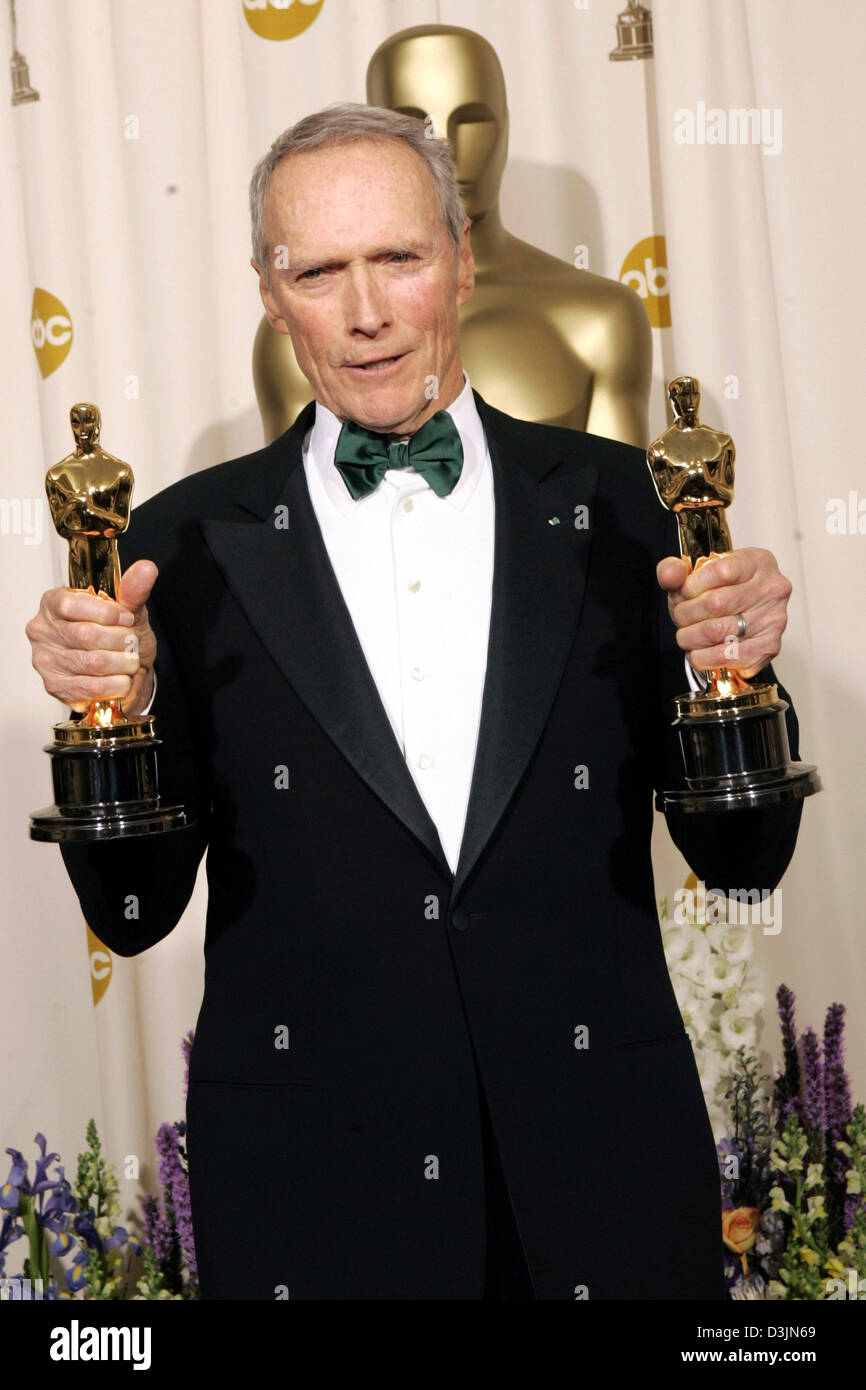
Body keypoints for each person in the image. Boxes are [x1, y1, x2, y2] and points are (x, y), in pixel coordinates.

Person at [25, 104, 803, 1300]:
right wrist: (103, 726)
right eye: (319, 271)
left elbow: (744, 858)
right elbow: (130, 912)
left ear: (461, 256)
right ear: (269, 293)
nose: (367, 310)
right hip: (310, 1198)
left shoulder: (627, 506)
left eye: (397, 256)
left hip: (600, 1178)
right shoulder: (174, 546)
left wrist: (726, 670)